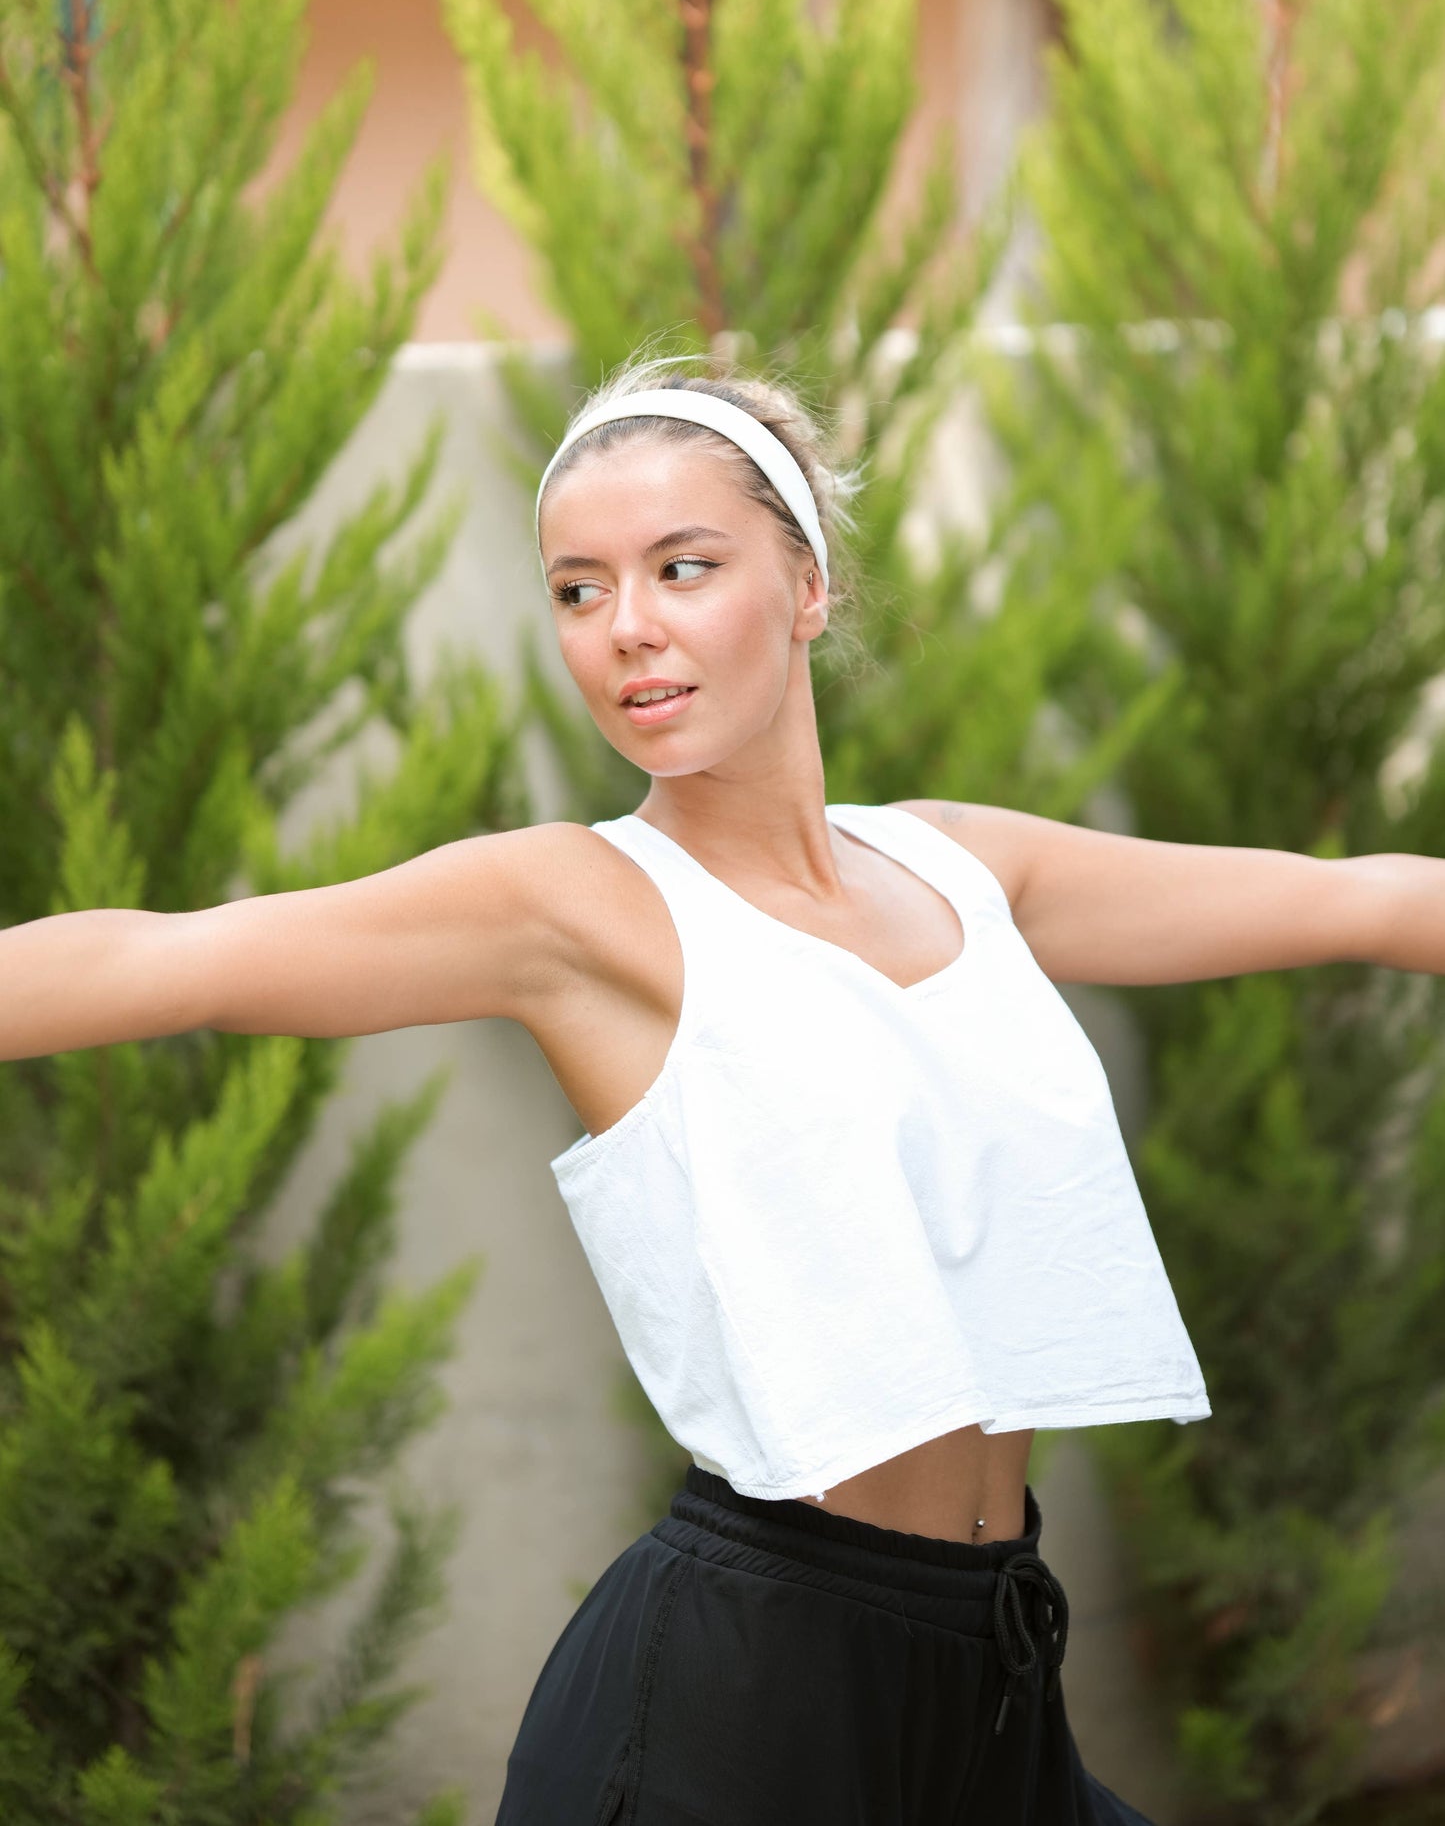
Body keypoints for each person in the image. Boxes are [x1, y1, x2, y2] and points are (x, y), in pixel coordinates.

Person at [3, 354, 1440, 1826]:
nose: (626, 628)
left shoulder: (962, 868)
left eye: (681, 568)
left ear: (806, 587)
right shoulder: (577, 905)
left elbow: (1369, 902)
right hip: (741, 1697)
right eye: (577, 589)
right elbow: (163, 961)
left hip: (992, 1663)